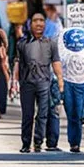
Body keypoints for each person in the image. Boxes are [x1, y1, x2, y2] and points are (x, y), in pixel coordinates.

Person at [12, 13, 63, 153]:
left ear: (45, 24)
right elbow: (17, 62)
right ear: (30, 24)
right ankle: (25, 143)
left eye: (41, 20)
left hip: (44, 83)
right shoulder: (22, 43)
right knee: (27, 115)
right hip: (27, 83)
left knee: (43, 114)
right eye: (35, 21)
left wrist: (60, 81)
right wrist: (14, 83)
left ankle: (38, 141)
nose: (39, 23)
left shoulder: (50, 43)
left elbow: (56, 62)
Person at [59, 23, 84, 153]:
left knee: (77, 114)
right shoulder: (63, 32)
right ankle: (73, 141)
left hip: (82, 81)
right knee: (71, 113)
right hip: (67, 80)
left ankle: (75, 142)